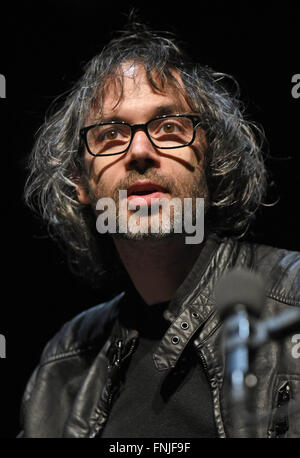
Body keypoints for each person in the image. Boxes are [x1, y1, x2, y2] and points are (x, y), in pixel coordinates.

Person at [19, 20, 300, 438]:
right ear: (81, 183)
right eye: (110, 134)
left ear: (212, 160)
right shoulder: (64, 363)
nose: (140, 150)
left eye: (170, 127)